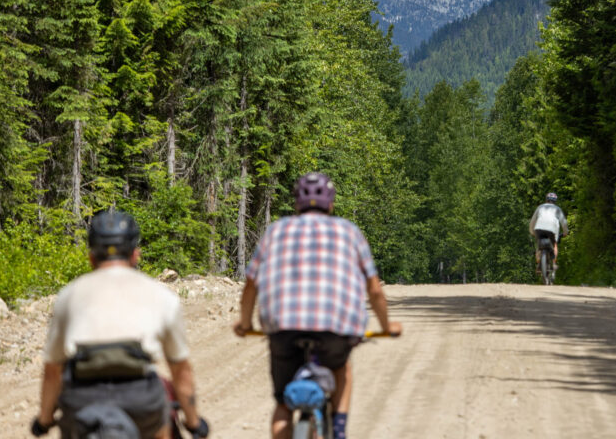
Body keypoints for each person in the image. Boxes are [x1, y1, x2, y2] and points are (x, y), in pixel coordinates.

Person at [234, 172, 402, 439]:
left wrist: (245, 324)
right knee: (341, 366)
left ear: (296, 204)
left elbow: (250, 286)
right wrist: (387, 325)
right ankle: (338, 430)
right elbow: (374, 290)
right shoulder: (349, 231)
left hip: (283, 329)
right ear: (331, 203)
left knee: (282, 403)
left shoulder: (275, 231)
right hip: (335, 329)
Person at [32, 209, 208, 439]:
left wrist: (44, 420)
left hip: (82, 401)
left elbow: (53, 370)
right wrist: (193, 422)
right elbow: (179, 369)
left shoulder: (69, 296)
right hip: (141, 401)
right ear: (135, 255)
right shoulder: (161, 296)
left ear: (91, 257)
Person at [528, 192, 569, 272]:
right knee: (554, 245)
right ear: (555, 201)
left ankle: (539, 263)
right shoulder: (557, 209)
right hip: (551, 230)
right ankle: (553, 263)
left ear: (546, 200)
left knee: (539, 246)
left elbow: (532, 221)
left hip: (539, 228)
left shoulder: (540, 207)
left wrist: (531, 231)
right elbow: (564, 223)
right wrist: (565, 232)